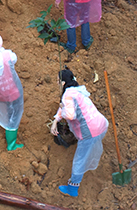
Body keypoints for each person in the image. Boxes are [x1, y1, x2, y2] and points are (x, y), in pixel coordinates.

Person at [50, 68, 109, 197]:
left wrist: (62, 110)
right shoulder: (77, 90)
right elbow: (66, 106)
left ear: (63, 83)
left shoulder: (67, 94)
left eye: (58, 81)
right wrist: (56, 120)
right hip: (102, 124)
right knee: (87, 151)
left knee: (80, 160)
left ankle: (72, 188)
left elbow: (70, 114)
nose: (57, 83)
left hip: (90, 131)